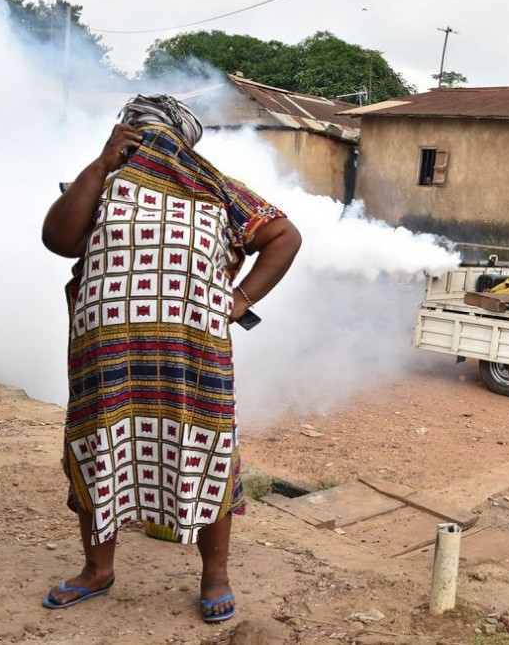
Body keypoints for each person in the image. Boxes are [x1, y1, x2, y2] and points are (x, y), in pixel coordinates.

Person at [40, 95, 302, 623]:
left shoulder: (217, 189)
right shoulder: (101, 181)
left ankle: (215, 576)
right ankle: (98, 570)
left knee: (203, 451)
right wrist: (100, 163)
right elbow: (59, 240)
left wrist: (241, 299)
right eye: (135, 131)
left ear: (183, 141)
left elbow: (283, 235)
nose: (147, 144)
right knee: (99, 451)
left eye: (155, 134)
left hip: (192, 361)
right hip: (106, 359)